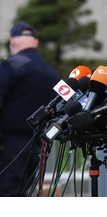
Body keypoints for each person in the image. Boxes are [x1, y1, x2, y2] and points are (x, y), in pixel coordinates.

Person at [0, 21, 60, 196]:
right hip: (37, 147)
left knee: (6, 193)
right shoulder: (50, 72)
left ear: (12, 42)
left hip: (11, 145)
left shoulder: (13, 65)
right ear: (36, 42)